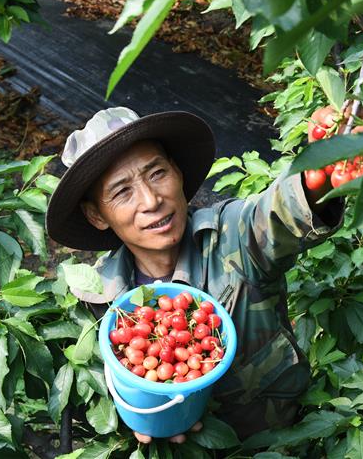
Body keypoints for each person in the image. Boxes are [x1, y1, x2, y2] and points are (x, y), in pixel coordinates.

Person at [45, 107, 344, 444]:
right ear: (96, 215)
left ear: (178, 172)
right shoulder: (98, 298)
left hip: (277, 442)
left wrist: (326, 164)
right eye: (122, 192)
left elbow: (280, 211)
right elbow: (100, 388)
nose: (151, 200)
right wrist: (136, 412)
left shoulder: (233, 236)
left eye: (157, 173)